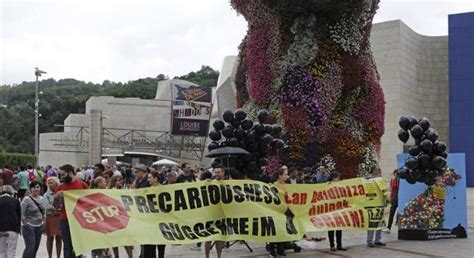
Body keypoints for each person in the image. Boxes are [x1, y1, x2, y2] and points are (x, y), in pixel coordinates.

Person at [55, 164, 88, 258]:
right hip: (65, 218)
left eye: (63, 174)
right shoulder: (60, 187)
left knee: (78, 244)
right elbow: (56, 207)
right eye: (60, 175)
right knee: (67, 245)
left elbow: (88, 201)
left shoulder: (82, 185)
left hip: (79, 218)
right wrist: (57, 197)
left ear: (70, 173)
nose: (61, 177)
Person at [142, 171, 166, 258]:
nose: (148, 180)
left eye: (150, 177)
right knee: (150, 248)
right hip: (151, 222)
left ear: (156, 178)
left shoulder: (164, 189)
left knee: (161, 247)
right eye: (148, 177)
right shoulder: (147, 190)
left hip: (162, 221)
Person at [268, 166, 289, 257]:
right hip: (274, 211)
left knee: (282, 230)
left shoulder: (286, 185)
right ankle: (272, 250)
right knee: (274, 231)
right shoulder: (273, 185)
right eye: (285, 175)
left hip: (283, 211)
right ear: (280, 176)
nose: (287, 176)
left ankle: (281, 249)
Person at [205, 165, 225, 258]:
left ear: (223, 173)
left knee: (219, 238)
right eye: (215, 172)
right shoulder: (210, 183)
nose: (216, 174)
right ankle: (207, 256)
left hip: (221, 214)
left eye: (218, 172)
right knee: (208, 238)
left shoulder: (228, 183)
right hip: (210, 214)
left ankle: (219, 256)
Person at [21, 181, 45, 258]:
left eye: (38, 187)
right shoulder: (26, 199)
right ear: (30, 189)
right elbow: (22, 213)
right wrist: (25, 224)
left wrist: (44, 222)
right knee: (30, 248)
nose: (36, 189)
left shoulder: (42, 198)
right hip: (29, 226)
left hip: (39, 226)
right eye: (34, 187)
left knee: (35, 248)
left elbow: (44, 211)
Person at [40, 177, 62, 258]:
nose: (49, 184)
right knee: (50, 238)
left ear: (57, 183)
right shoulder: (46, 194)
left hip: (59, 217)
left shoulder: (61, 193)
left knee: (59, 238)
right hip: (50, 217)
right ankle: (50, 256)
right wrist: (56, 209)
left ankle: (58, 256)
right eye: (48, 183)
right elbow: (46, 206)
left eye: (51, 182)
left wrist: (57, 209)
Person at [326, 172, 348, 252]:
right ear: (333, 178)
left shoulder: (340, 186)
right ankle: (332, 245)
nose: (339, 179)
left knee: (339, 228)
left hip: (338, 210)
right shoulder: (327, 185)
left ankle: (339, 245)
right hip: (330, 210)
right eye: (338, 177)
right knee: (331, 228)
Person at [367, 167, 387, 247]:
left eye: (379, 170)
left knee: (380, 223)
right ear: (374, 171)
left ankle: (377, 240)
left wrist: (386, 200)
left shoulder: (381, 179)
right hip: (373, 205)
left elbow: (384, 191)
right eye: (377, 170)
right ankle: (369, 241)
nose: (379, 171)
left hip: (381, 204)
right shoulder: (370, 180)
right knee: (372, 223)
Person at [0, 185, 21, 258]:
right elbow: (19, 216)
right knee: (11, 252)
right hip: (13, 229)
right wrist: (18, 230)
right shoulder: (15, 201)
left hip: (0, 230)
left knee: (2, 251)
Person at [384, 169, 399, 234]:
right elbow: (391, 189)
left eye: (397, 173)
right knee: (391, 213)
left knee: (400, 212)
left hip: (399, 198)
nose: (396, 174)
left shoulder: (400, 181)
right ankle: (388, 228)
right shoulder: (392, 180)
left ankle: (398, 223)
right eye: (395, 173)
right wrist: (389, 198)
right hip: (393, 198)